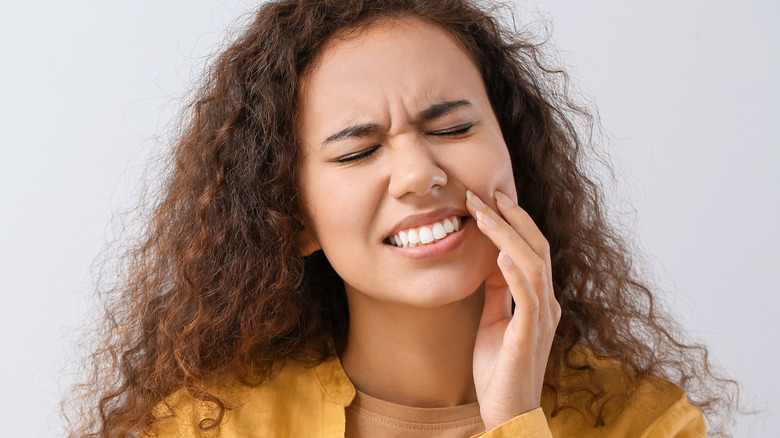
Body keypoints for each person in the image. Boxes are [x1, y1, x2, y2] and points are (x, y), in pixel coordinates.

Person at [65, 0, 738, 437]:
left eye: (452, 127)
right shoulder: (205, 428)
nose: (419, 174)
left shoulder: (645, 423)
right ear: (293, 217)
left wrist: (515, 422)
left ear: (514, 153)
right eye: (358, 151)